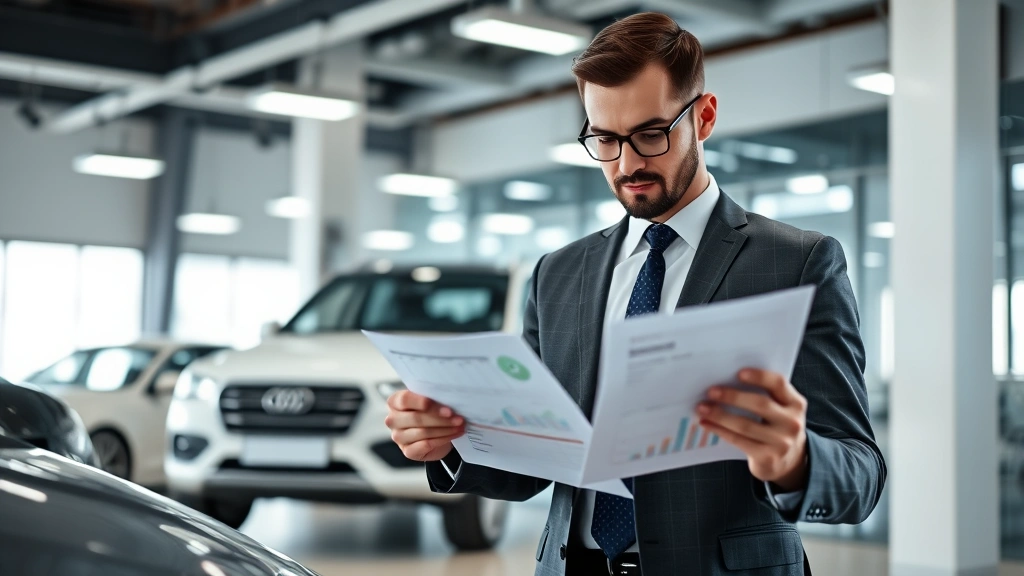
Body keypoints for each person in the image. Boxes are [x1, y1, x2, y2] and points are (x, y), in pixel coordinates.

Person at [384, 12, 886, 576]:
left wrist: (794, 458)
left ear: (704, 116)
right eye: (604, 138)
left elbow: (860, 472)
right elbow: (530, 463)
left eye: (651, 134)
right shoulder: (558, 273)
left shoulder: (795, 262)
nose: (627, 164)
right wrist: (450, 443)